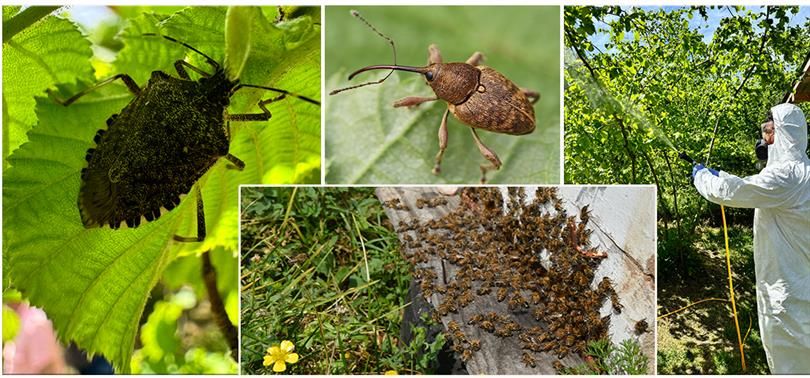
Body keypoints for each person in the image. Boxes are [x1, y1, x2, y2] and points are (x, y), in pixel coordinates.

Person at [691, 102, 810, 374]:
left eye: (769, 132)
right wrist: (726, 177)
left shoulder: (786, 176)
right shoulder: (802, 173)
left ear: (783, 134)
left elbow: (731, 192)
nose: (764, 140)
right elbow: (753, 186)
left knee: (789, 364)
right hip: (801, 286)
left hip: (786, 296)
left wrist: (702, 178)